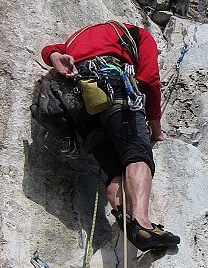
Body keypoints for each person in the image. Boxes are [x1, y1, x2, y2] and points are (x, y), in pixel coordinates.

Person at [41, 20, 180, 251]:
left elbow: (50, 50)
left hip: (80, 104)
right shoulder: (138, 35)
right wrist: (155, 126)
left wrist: (54, 55)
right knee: (136, 154)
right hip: (114, 90)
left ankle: (124, 215)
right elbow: (148, 79)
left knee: (115, 169)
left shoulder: (77, 38)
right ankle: (142, 224)